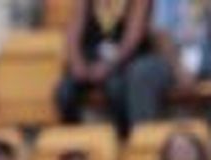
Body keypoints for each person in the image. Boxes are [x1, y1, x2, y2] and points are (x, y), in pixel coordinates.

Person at [55, 0, 174, 138]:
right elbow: (73, 33)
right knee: (64, 92)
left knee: (117, 88)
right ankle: (74, 140)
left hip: (121, 62)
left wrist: (108, 66)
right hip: (90, 59)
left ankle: (123, 139)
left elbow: (132, 38)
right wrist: (77, 63)